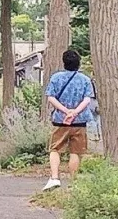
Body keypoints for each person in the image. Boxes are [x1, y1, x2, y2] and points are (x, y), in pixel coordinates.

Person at [41, 49, 95, 192]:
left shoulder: (56, 78)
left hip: (60, 120)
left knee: (55, 149)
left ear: (64, 62)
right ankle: (73, 183)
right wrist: (75, 112)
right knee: (75, 152)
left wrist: (65, 112)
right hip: (80, 121)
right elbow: (87, 99)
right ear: (79, 63)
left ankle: (54, 178)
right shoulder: (85, 79)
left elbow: (51, 97)